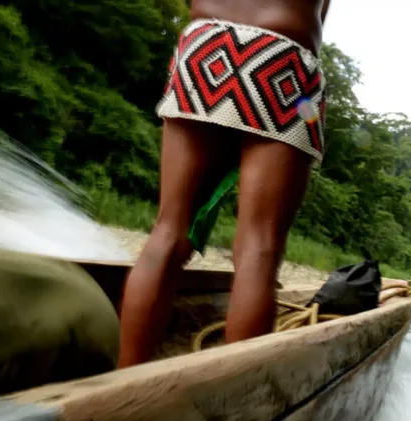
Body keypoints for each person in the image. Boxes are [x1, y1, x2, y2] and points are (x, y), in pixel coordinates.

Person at [117, 0, 331, 367]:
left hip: (204, 49)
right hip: (284, 64)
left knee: (167, 233)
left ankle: (125, 374)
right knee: (259, 248)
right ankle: (237, 387)